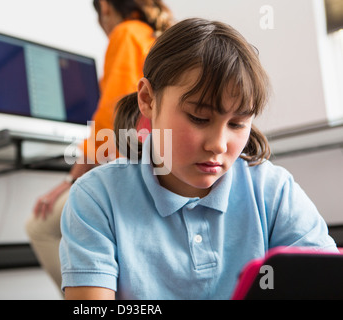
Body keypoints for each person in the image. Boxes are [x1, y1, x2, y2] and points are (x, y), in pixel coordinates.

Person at [59, 17, 339, 300]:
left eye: (237, 124)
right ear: (148, 99)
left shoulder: (274, 192)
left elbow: (326, 286)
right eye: (198, 118)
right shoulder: (97, 197)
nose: (217, 144)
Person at [25, 0, 173, 290]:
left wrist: (69, 180)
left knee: (38, 226)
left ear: (105, 6)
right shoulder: (154, 39)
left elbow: (109, 119)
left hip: (136, 175)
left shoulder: (126, 33)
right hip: (160, 171)